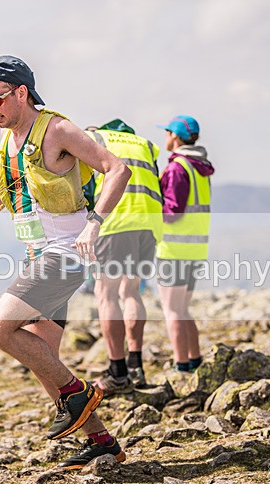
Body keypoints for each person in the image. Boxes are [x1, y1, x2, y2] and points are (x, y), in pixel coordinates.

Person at [0, 55, 132, 469]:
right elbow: (9, 184)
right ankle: (102, 440)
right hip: (39, 254)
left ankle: (81, 392)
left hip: (66, 254)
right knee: (43, 359)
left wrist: (95, 224)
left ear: (21, 92)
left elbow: (116, 169)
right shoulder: (10, 140)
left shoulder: (57, 130)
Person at [86, 119, 163, 394]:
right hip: (150, 223)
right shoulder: (145, 144)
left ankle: (117, 371)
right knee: (131, 291)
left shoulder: (95, 139)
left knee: (105, 294)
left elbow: (84, 187)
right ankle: (135, 366)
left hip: (115, 222)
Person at [155, 116, 214, 372]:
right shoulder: (200, 167)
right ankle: (194, 359)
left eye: (167, 133)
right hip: (195, 248)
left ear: (175, 136)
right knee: (183, 308)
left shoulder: (178, 167)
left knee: (171, 310)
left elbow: (173, 211)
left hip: (173, 249)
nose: (165, 137)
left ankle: (181, 367)